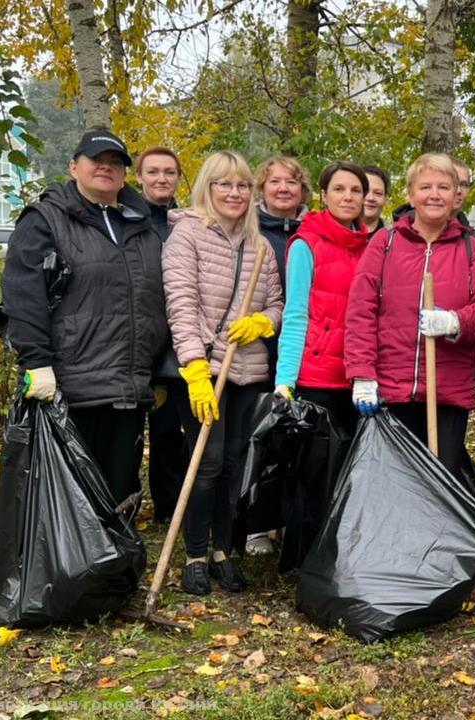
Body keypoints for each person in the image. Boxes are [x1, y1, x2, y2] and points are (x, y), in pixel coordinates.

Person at [0, 130, 167, 507]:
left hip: (128, 383)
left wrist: (157, 364)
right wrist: (36, 361)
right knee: (71, 493)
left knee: (119, 485)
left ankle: (115, 560)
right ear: (74, 166)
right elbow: (22, 295)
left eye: (115, 163)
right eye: (96, 160)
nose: (106, 168)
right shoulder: (44, 221)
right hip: (71, 384)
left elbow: (158, 297)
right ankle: (70, 565)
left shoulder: (141, 226)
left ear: (125, 174)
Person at [162, 150, 283, 594]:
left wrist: (264, 322)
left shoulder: (260, 245)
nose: (235, 193)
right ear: (207, 189)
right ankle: (195, 553)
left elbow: (276, 304)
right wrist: (194, 368)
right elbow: (180, 305)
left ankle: (222, 551)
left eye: (242, 185)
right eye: (224, 184)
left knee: (234, 464)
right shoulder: (186, 236)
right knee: (206, 464)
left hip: (247, 370)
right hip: (204, 368)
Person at [344, 153, 475, 478]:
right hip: (391, 390)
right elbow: (361, 311)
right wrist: (362, 374)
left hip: (447, 393)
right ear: (411, 193)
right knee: (393, 487)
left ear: (456, 194)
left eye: (444, 187)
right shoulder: (385, 244)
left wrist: (456, 322)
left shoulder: (472, 250)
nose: (434, 194)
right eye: (425, 186)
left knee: (438, 490)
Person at [275, 161, 370, 435]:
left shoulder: (371, 248)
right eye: (339, 189)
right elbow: (295, 313)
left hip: (358, 380)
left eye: (355, 190)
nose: (348, 197)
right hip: (317, 379)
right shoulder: (307, 244)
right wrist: (286, 379)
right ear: (325, 195)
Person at [134, 146, 186, 523]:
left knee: (169, 429)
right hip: (136, 338)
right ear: (139, 177)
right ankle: (125, 502)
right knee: (132, 431)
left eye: (169, 172)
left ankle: (168, 506)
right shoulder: (129, 219)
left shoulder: (186, 222)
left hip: (177, 341)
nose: (161, 178)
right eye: (153, 172)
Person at [254, 155, 311, 294]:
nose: (283, 189)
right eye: (274, 182)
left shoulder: (316, 231)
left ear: (302, 190)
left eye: (291, 182)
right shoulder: (247, 229)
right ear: (263, 188)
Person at [362, 164, 390, 235]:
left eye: (378, 193)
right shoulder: (332, 234)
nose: (370, 198)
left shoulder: (396, 239)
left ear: (385, 199)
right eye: (365, 191)